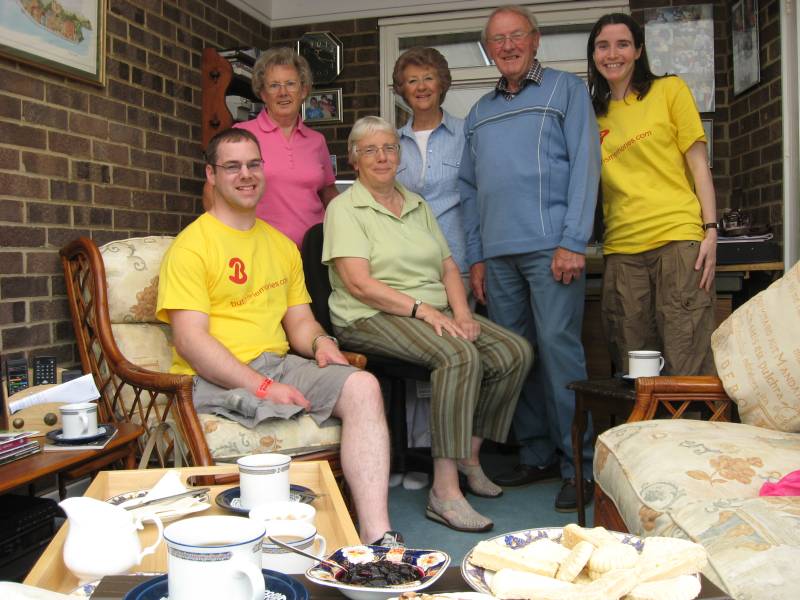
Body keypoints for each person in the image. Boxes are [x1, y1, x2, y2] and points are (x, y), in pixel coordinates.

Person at [156, 128, 399, 547]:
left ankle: (376, 536)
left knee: (363, 386)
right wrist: (264, 387)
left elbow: (300, 323)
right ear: (211, 175)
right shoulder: (192, 246)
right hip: (214, 375)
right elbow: (192, 342)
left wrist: (323, 343)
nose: (246, 175)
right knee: (273, 403)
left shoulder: (281, 245)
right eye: (232, 166)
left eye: (253, 164)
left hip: (278, 362)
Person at [322, 116, 532, 533]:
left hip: (430, 311)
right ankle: (445, 489)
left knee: (514, 352)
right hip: (369, 316)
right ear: (354, 160)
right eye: (371, 150)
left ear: (399, 156)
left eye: (389, 148)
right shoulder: (344, 209)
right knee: (457, 355)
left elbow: (449, 266)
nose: (382, 157)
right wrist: (423, 310)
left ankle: (468, 457)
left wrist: (463, 314)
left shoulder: (416, 204)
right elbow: (359, 284)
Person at [458, 4, 601, 511]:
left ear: (536, 39)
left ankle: (576, 465)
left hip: (551, 249)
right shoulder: (478, 113)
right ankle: (537, 452)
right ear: (488, 49)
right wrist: (476, 257)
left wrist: (572, 239)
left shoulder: (566, 91)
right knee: (515, 359)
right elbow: (469, 191)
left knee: (561, 352)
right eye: (497, 40)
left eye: (517, 35)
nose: (508, 46)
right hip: (497, 258)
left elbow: (587, 166)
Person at [587, 13, 717, 376]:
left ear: (639, 50)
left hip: (677, 240)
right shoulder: (591, 115)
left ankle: (691, 434)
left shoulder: (669, 90)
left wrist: (711, 229)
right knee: (635, 365)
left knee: (686, 356)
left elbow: (698, 165)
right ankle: (648, 435)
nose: (613, 54)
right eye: (603, 45)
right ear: (593, 55)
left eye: (623, 44)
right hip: (622, 250)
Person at [233, 47, 338, 247]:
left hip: (314, 251)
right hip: (262, 251)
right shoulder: (242, 135)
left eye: (291, 84)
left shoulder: (317, 141)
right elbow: (215, 191)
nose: (283, 93)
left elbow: (329, 194)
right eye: (274, 85)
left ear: (304, 90)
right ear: (263, 93)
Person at [394, 47, 472, 303]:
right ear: (402, 90)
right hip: (409, 264)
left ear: (441, 83)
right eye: (412, 81)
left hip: (458, 258)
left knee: (461, 331)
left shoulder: (467, 133)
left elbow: (480, 198)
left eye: (428, 78)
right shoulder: (392, 143)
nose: (421, 87)